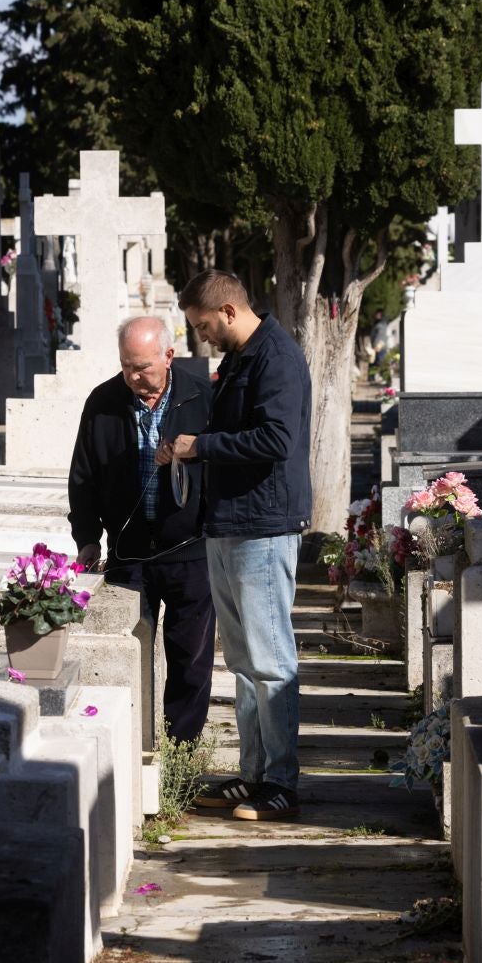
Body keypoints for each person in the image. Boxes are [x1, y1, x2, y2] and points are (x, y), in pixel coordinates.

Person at [160, 269, 312, 822]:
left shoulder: (277, 357)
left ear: (227, 311)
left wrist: (202, 447)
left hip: (263, 525)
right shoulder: (244, 358)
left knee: (271, 660)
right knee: (245, 663)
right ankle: (253, 774)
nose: (202, 337)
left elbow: (277, 439)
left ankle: (282, 782)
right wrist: (188, 449)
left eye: (204, 326)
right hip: (228, 522)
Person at [68, 316, 215, 744]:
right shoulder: (104, 401)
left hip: (191, 551)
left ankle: (182, 746)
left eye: (143, 367)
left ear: (168, 357)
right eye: (126, 365)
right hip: (129, 552)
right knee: (126, 649)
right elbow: (84, 474)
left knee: (191, 657)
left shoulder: (200, 397)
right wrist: (86, 536)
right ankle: (131, 741)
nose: (133, 376)